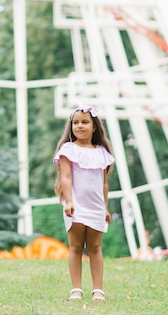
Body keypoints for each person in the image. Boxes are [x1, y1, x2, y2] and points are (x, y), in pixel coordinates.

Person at [53, 105, 115, 303]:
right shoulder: (68, 150)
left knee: (95, 247)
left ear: (94, 127)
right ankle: (76, 289)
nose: (80, 126)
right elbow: (66, 177)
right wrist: (69, 202)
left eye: (85, 122)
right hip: (75, 206)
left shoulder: (102, 153)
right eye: (76, 123)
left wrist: (105, 208)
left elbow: (104, 184)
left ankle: (98, 290)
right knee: (76, 247)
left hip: (96, 207)